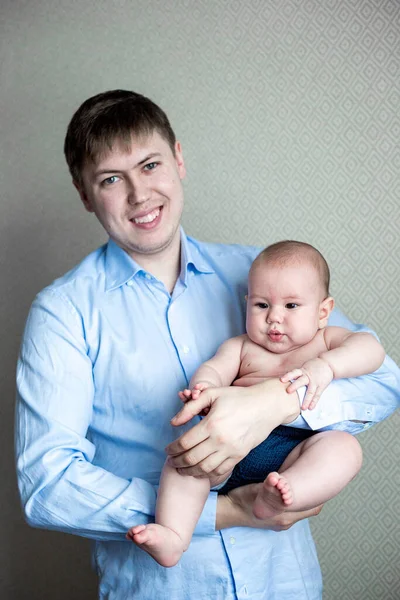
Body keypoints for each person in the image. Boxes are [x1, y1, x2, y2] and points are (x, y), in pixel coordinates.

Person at [15, 90, 400, 600]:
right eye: (111, 179)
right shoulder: (61, 313)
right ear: (85, 195)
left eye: (150, 164)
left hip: (283, 585)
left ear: (178, 158)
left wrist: (274, 402)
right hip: (161, 589)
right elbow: (48, 486)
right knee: (185, 459)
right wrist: (227, 513)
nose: (139, 194)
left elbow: (383, 379)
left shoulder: (260, 275)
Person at [127, 240, 385, 567]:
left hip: (294, 449)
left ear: (323, 311)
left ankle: (283, 495)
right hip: (228, 448)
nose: (274, 319)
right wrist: (204, 388)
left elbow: (372, 351)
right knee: (184, 460)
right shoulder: (242, 346)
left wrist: (328, 366)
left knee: (344, 448)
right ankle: (173, 535)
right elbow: (212, 369)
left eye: (291, 306)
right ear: (247, 303)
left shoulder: (326, 340)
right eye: (262, 305)